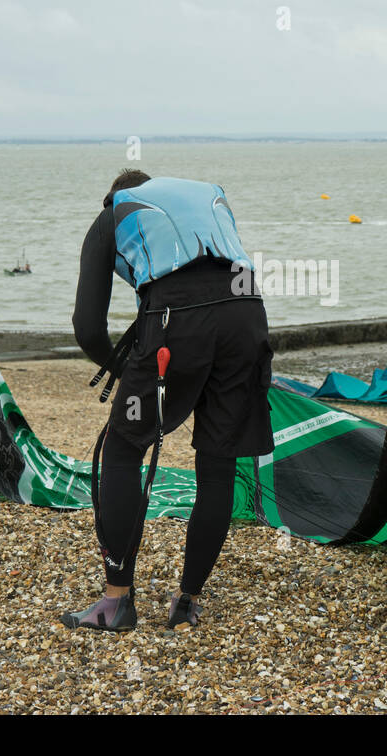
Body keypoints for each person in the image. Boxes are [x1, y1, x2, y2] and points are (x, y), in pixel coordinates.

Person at [65, 170, 273, 632]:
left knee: (121, 450)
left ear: (112, 197)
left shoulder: (112, 213)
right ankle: (187, 601)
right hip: (247, 313)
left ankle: (117, 602)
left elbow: (87, 327)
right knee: (217, 462)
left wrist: (124, 373)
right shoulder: (204, 193)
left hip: (177, 319)